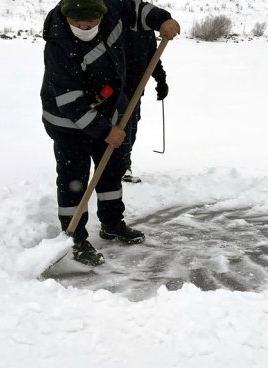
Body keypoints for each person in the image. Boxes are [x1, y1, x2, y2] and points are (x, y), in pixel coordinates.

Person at [40, 0, 180, 265]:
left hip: (109, 110)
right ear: (66, 15)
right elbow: (70, 102)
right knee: (74, 180)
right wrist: (105, 131)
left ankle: (112, 224)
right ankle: (75, 239)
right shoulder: (58, 43)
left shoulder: (113, 6)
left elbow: (137, 10)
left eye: (91, 21)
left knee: (111, 171)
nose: (84, 26)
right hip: (68, 122)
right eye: (77, 22)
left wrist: (161, 19)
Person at [121, 29, 169, 184]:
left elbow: (152, 58)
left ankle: (122, 164)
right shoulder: (115, 23)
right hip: (115, 90)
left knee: (131, 127)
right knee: (122, 129)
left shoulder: (145, 29)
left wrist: (161, 81)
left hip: (135, 89)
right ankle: (120, 167)